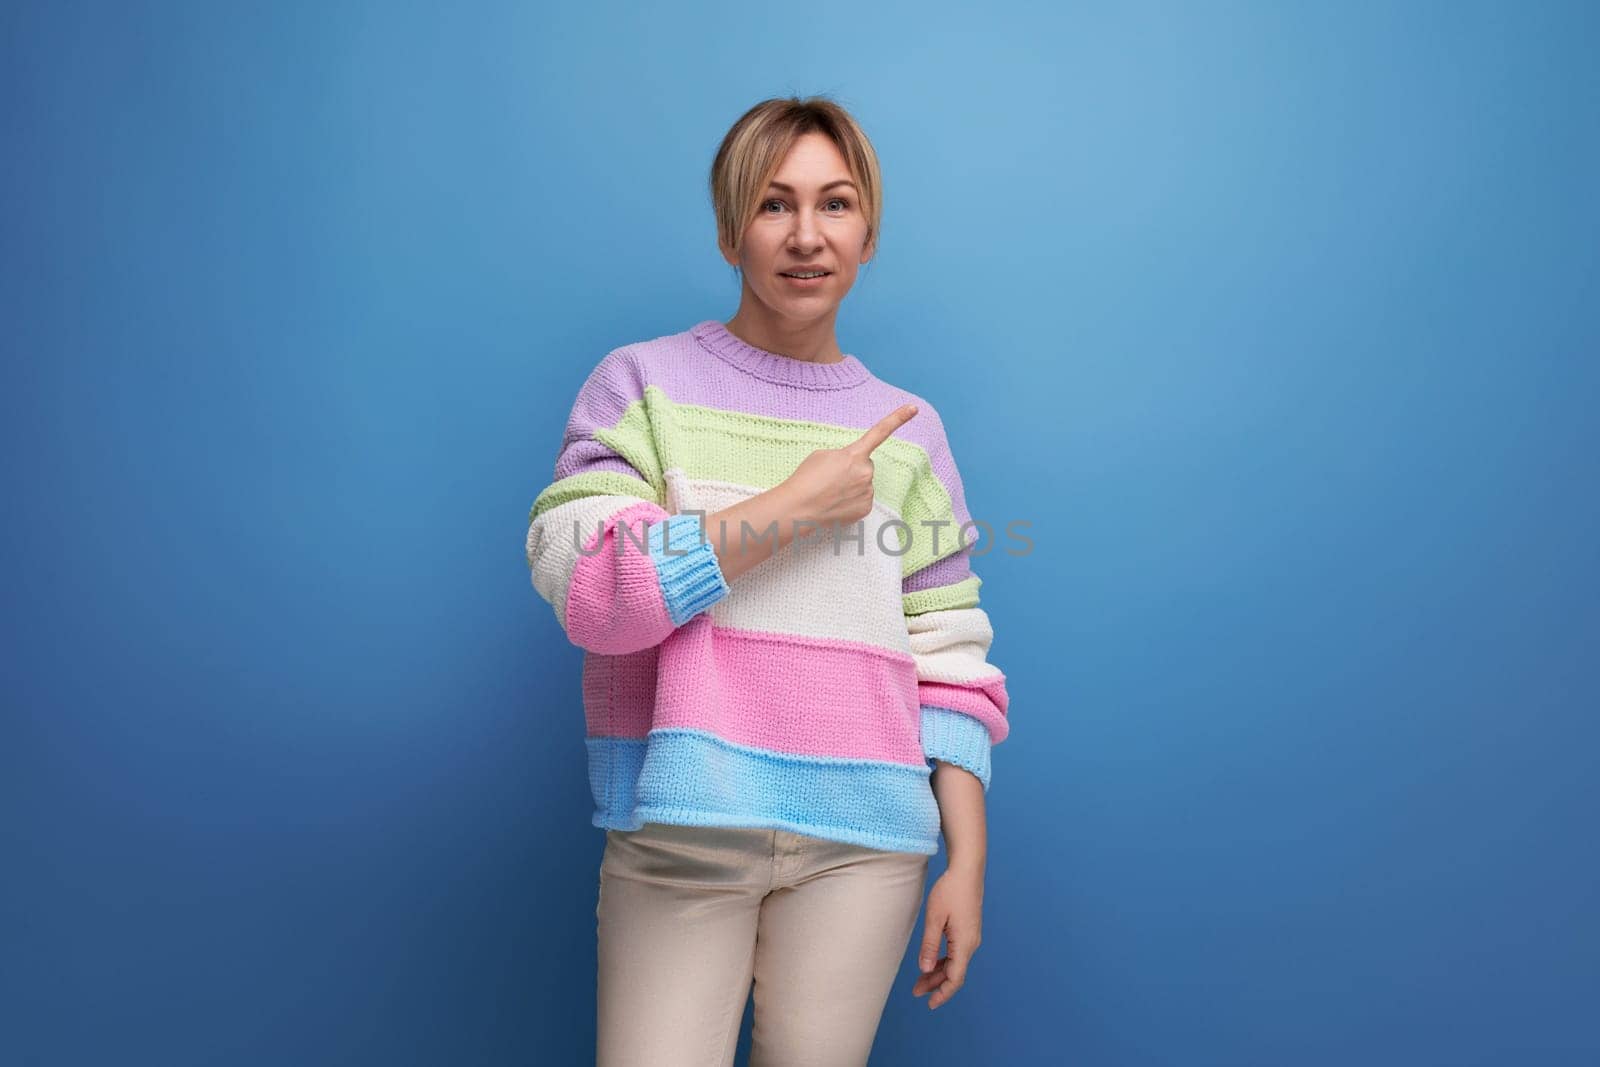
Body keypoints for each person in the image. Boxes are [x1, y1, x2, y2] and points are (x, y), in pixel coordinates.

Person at [524, 95, 1011, 1066]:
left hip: (865, 844)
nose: (805, 236)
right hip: (684, 830)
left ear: (867, 232)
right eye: (772, 204)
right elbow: (592, 590)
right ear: (727, 228)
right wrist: (789, 506)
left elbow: (949, 653)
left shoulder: (909, 430)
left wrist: (968, 859)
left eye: (834, 205)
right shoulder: (641, 387)